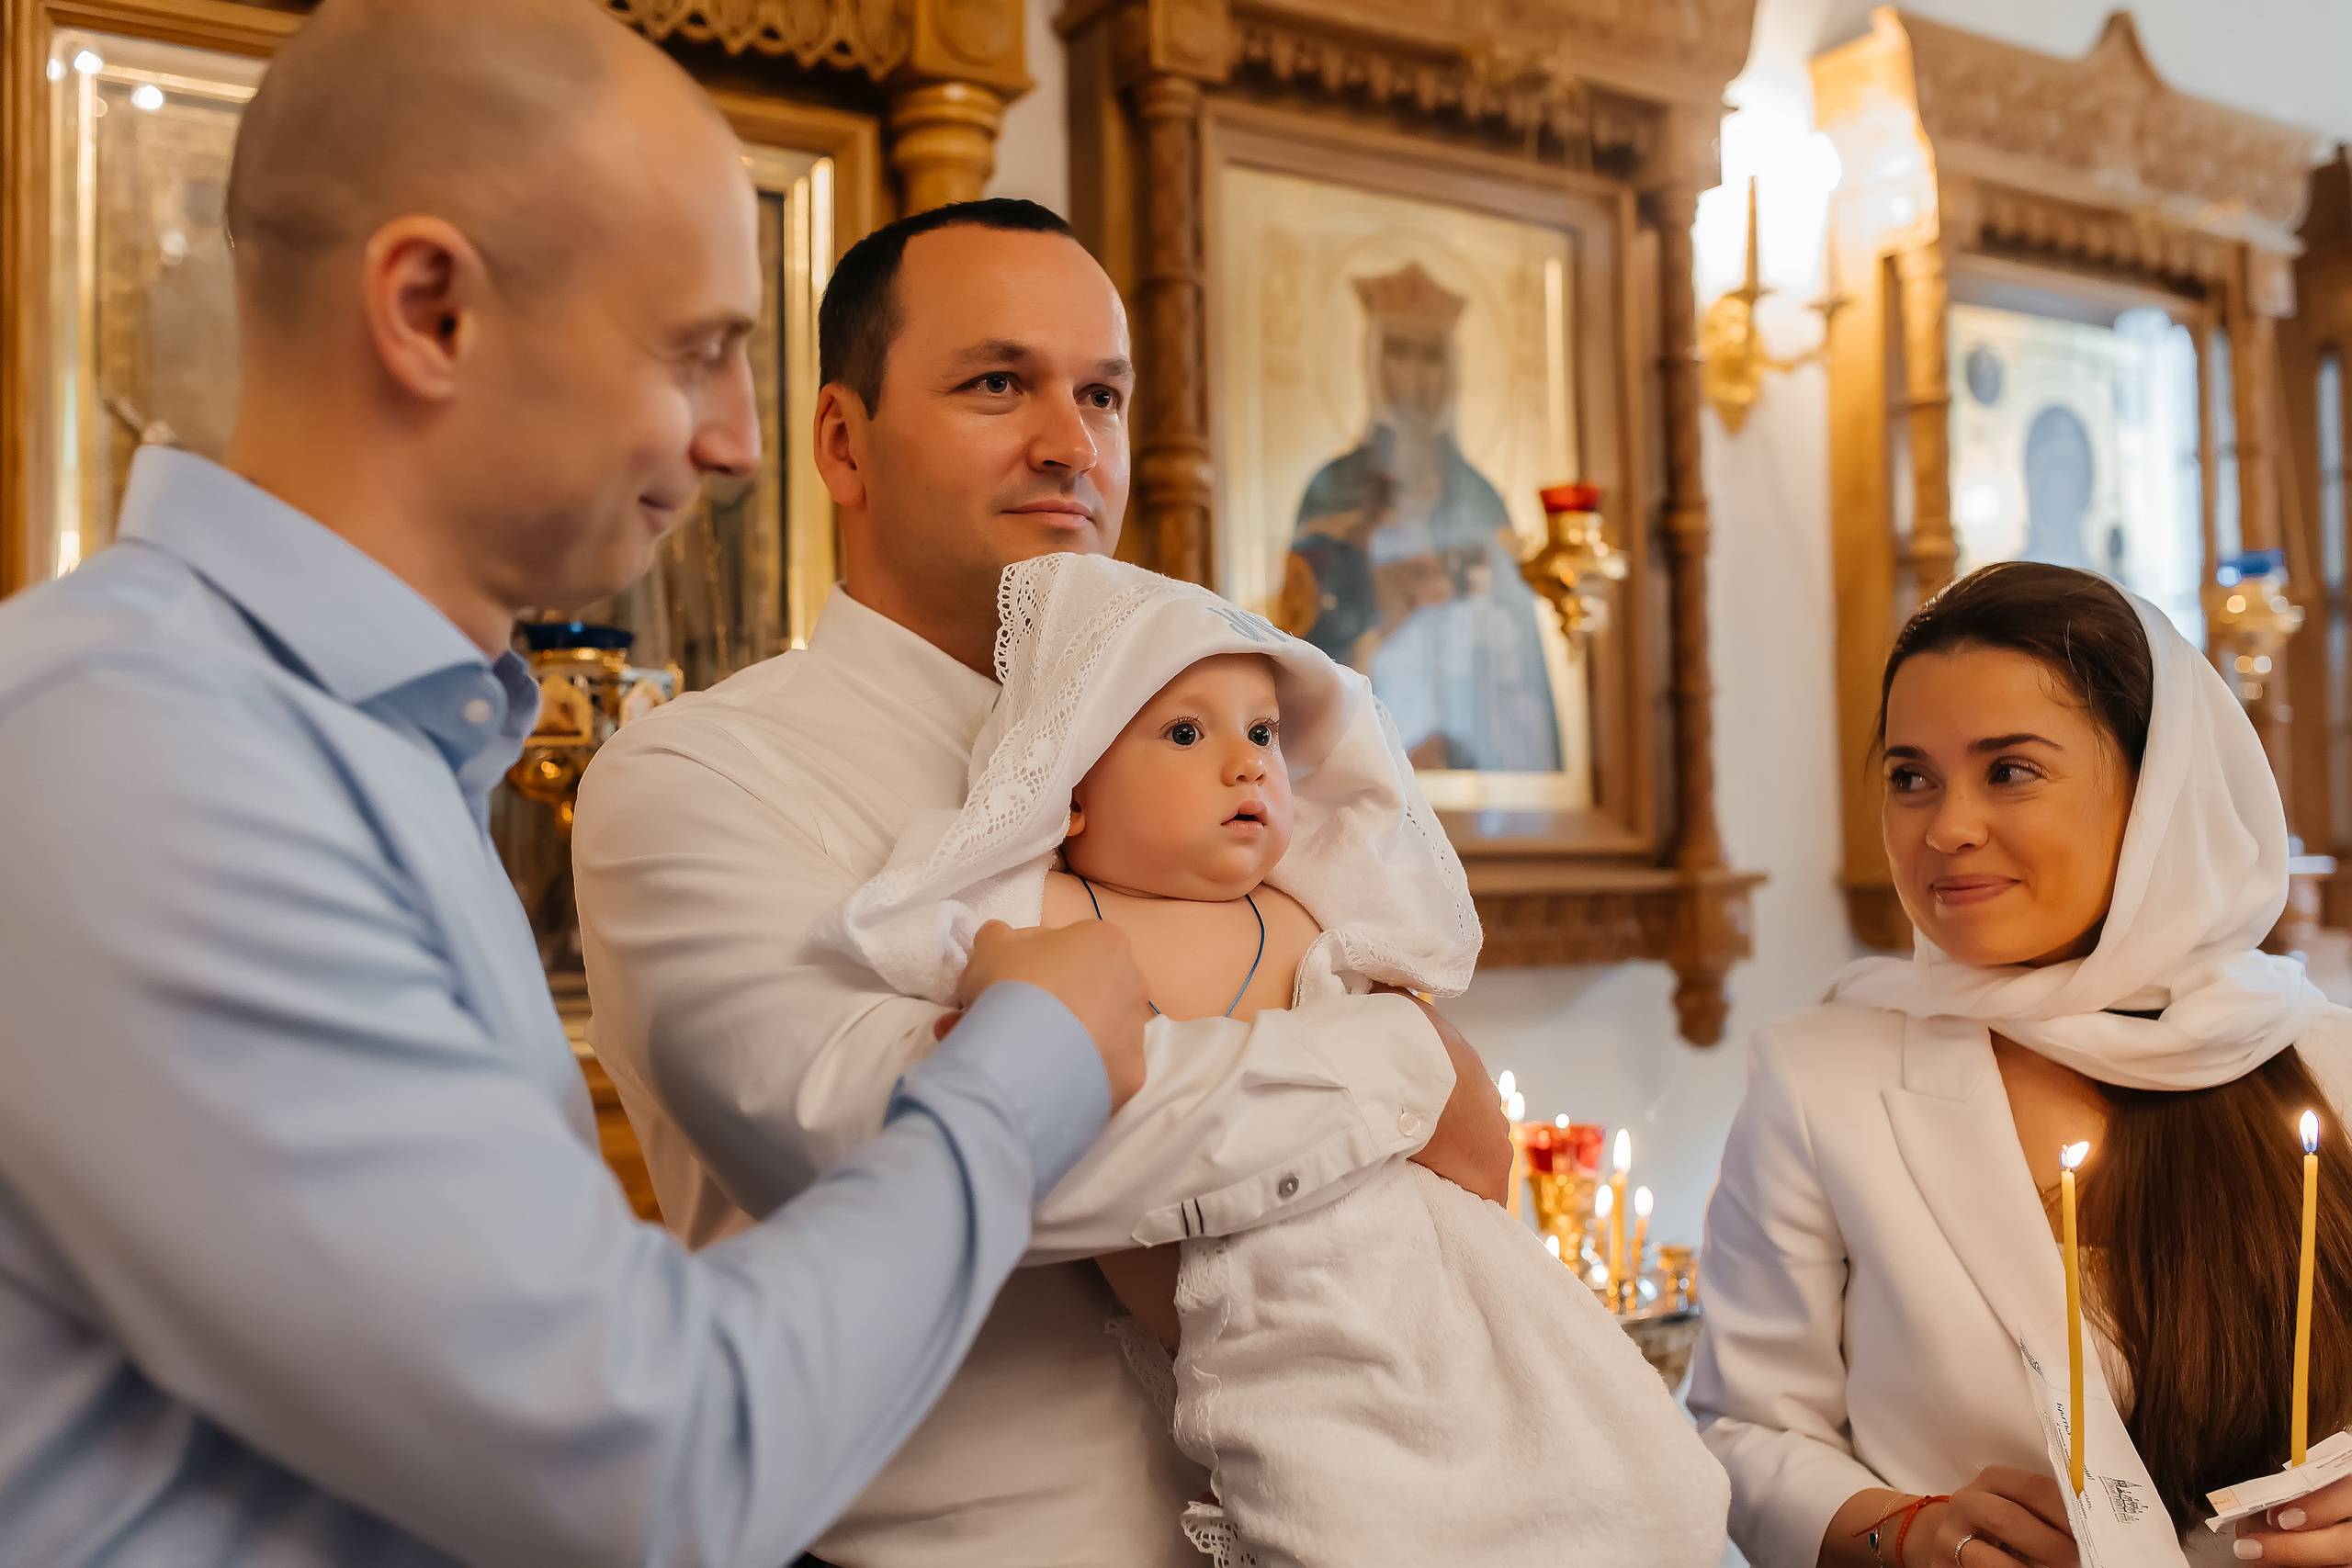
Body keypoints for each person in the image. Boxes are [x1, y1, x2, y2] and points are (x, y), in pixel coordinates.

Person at [0, 4, 1152, 1563]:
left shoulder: (381, 744)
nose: (740, 444)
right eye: (696, 350)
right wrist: (1039, 1056)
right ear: (432, 312)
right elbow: (654, 1457)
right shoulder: (133, 748)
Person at [571, 199, 1513, 1565]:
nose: (1072, 443)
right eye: (999, 384)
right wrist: (1406, 1066)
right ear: (843, 441)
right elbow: (903, 1149)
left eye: (1103, 396)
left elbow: (1448, 1162)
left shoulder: (1224, 738)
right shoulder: (692, 778)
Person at [815, 549, 1729, 1567]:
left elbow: (1459, 1138)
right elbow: (975, 982)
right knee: (1366, 1530)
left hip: (1424, 1271)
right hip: (1276, 1327)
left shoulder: (1305, 918)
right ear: (1069, 790)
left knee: (1651, 1488)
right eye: (1185, 732)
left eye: (1262, 732)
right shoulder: (1051, 913)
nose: (1247, 763)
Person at [1690, 562, 2352, 1568]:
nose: (1946, 827)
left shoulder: (2324, 1057)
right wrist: (1908, 1531)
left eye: (2009, 771)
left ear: (2155, 790)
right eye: (1910, 776)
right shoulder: (1821, 1079)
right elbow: (1744, 1430)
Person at [1285, 260, 1557, 773]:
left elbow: (1520, 665)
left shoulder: (1480, 501)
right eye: (1399, 352)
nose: (1414, 376)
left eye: (1430, 356)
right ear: (1372, 360)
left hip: (1471, 751)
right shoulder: (1331, 491)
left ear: (1452, 369)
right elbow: (1304, 641)